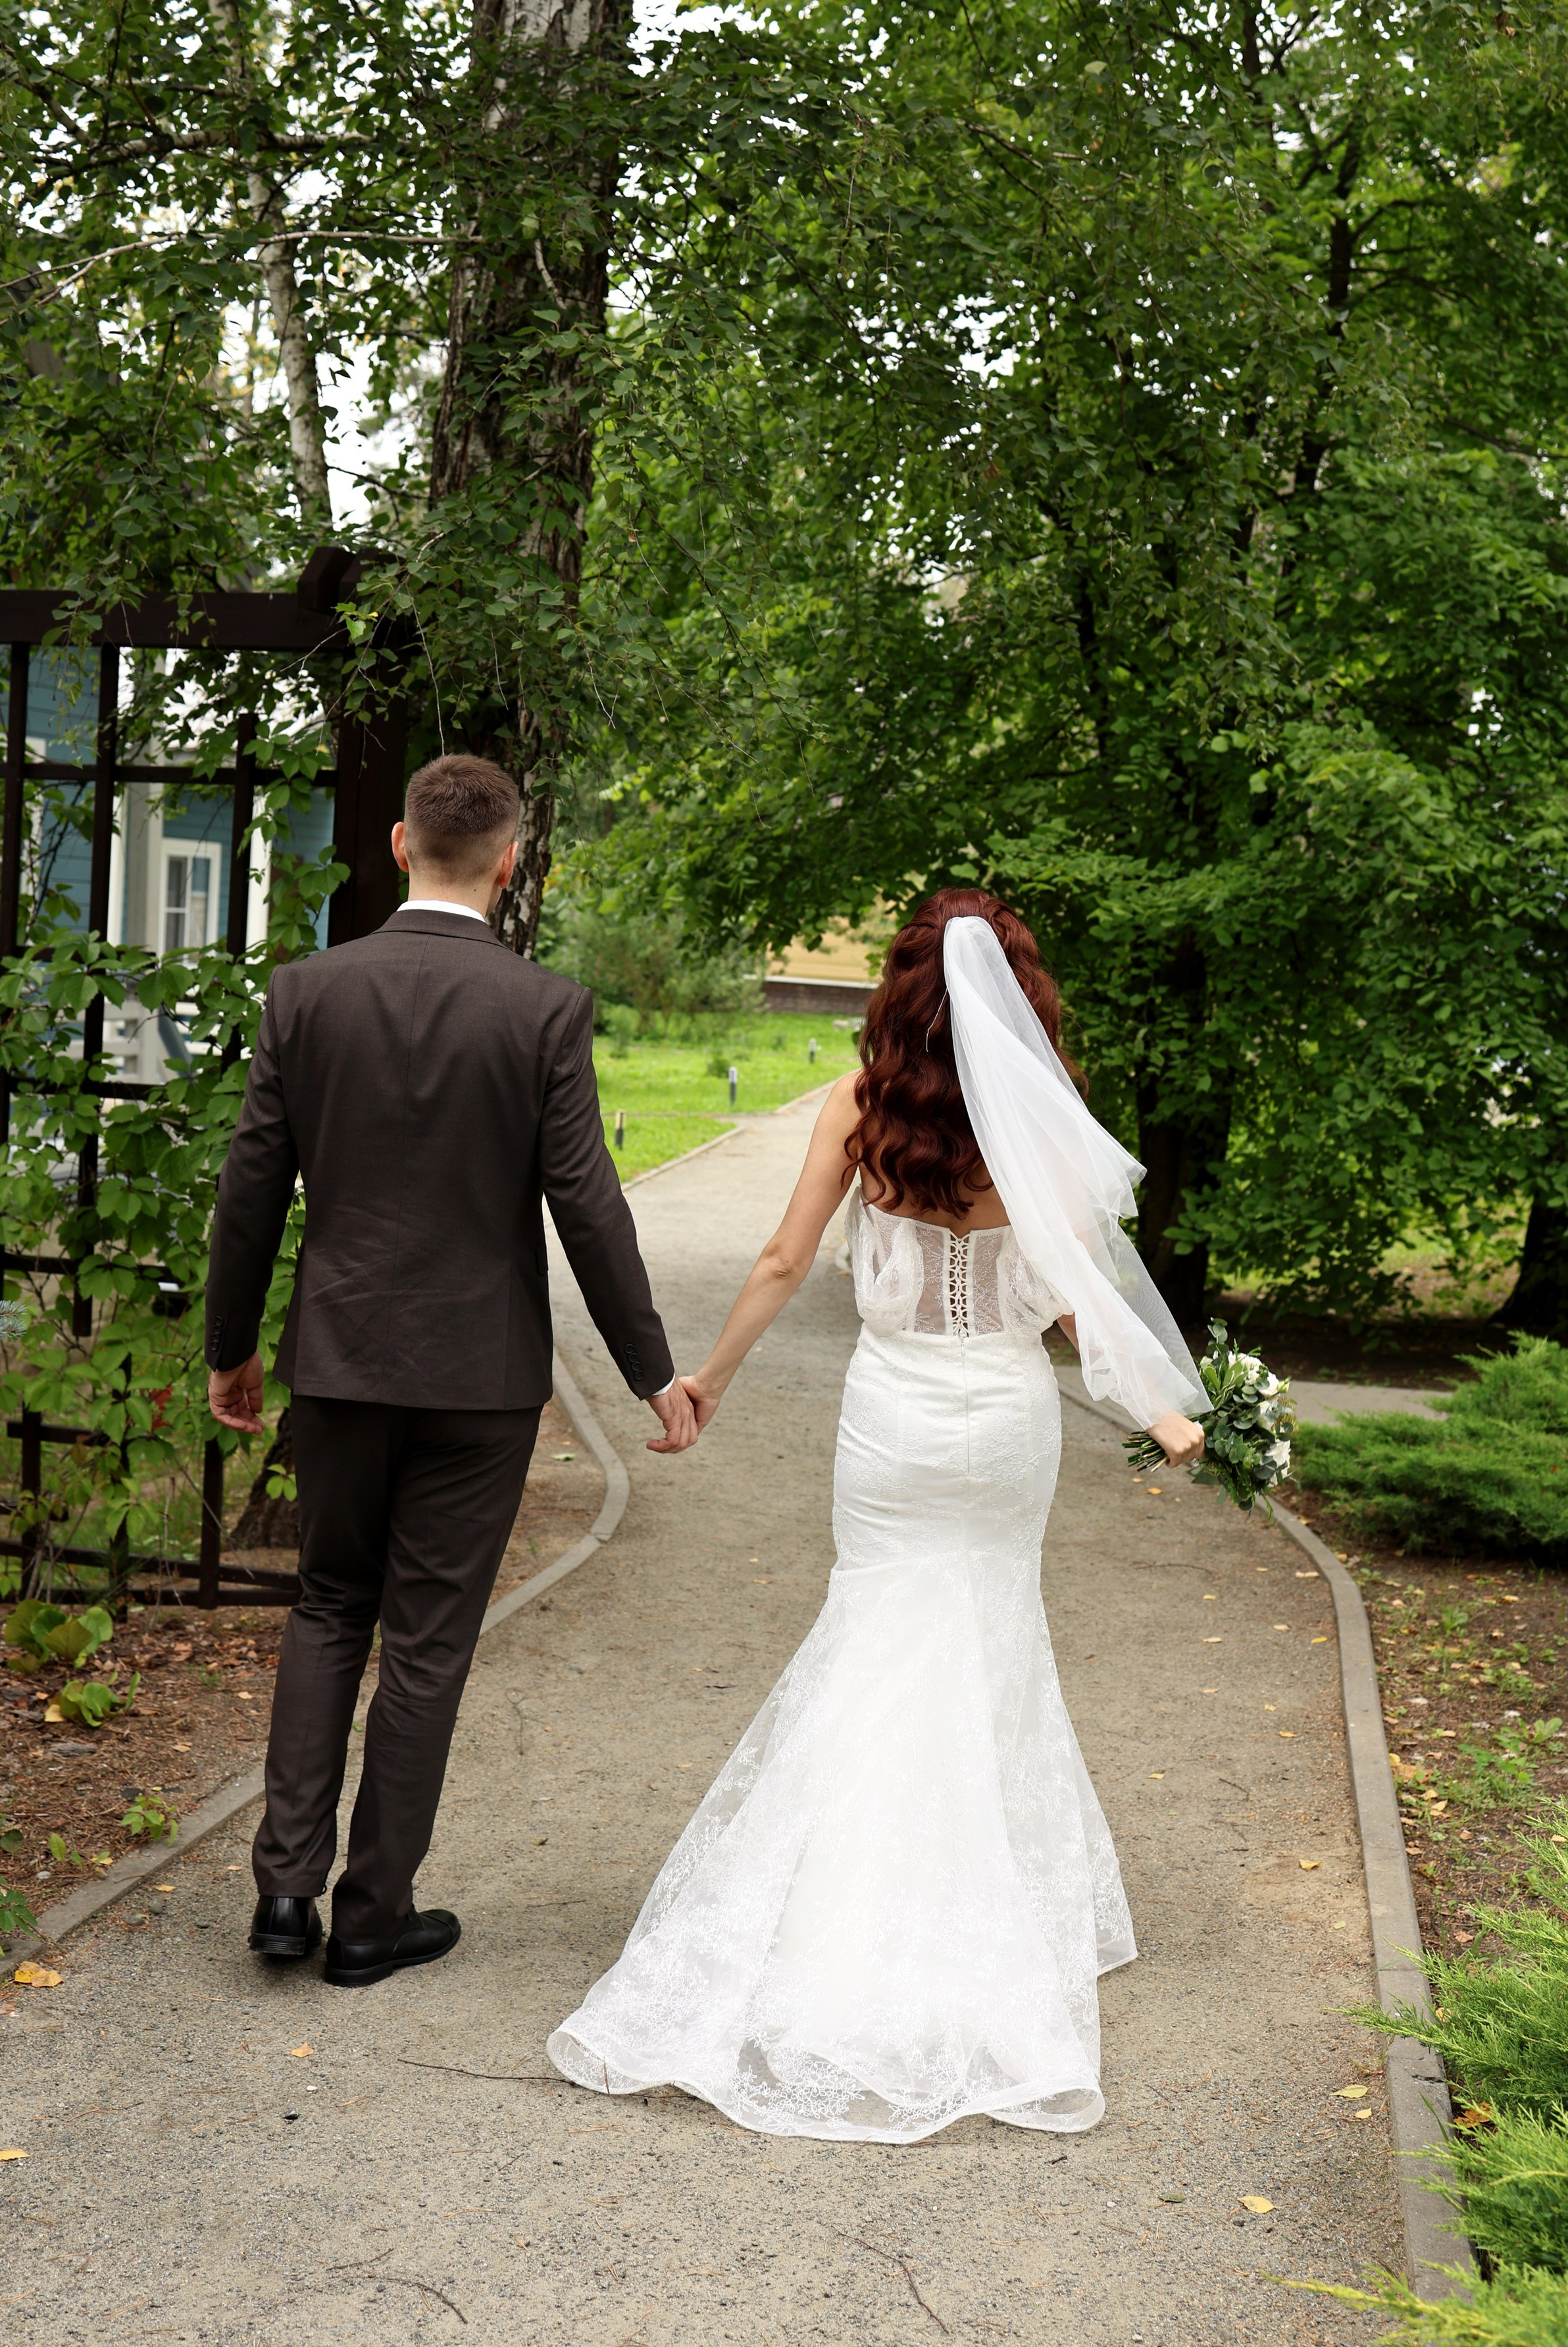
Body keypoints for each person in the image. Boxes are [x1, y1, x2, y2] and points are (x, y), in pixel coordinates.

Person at [547, 889, 1207, 2140]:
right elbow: (1082, 1302)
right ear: (1021, 1000)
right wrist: (1168, 1417)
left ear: (901, 991)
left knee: (880, 1633)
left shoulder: (859, 1109)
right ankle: (994, 1905)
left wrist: (709, 1385)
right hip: (1006, 1427)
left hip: (892, 1423)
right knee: (992, 1630)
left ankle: (836, 1909)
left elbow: (786, 1262)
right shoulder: (1040, 1128)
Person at [204, 753, 696, 1988]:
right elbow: (589, 1208)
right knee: (425, 1643)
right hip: (479, 1382)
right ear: (512, 862)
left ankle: (281, 1893)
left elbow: (250, 1190)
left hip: (341, 1360)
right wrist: (652, 1373)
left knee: (327, 1608)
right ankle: (371, 1918)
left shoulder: (306, 993)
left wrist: (231, 1347)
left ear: (397, 844)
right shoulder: (541, 1010)